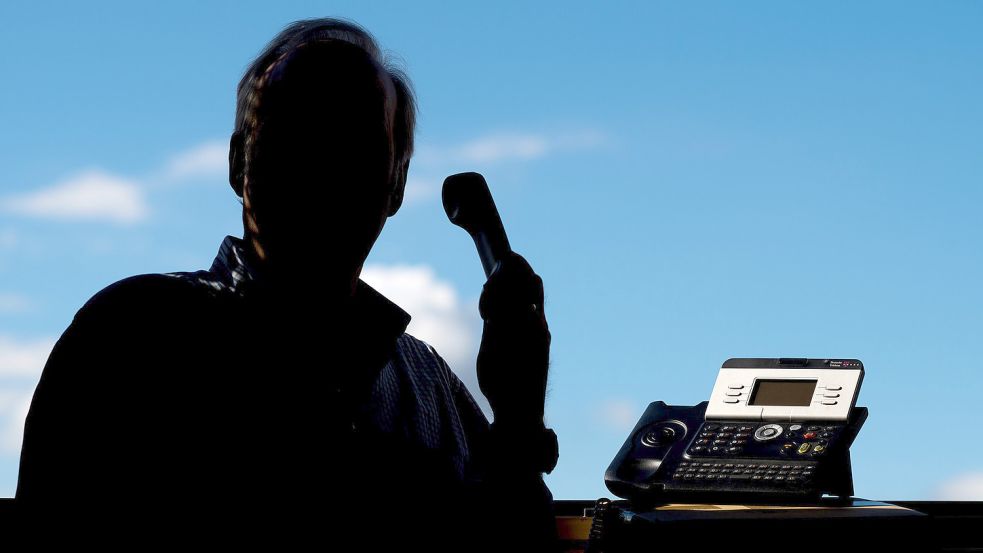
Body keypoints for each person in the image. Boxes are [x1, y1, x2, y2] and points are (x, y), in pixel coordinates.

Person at [15, 18, 558, 551]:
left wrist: (517, 419)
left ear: (396, 184)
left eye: (357, 140)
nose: (324, 161)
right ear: (238, 164)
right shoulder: (130, 337)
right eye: (294, 130)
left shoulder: (431, 387)